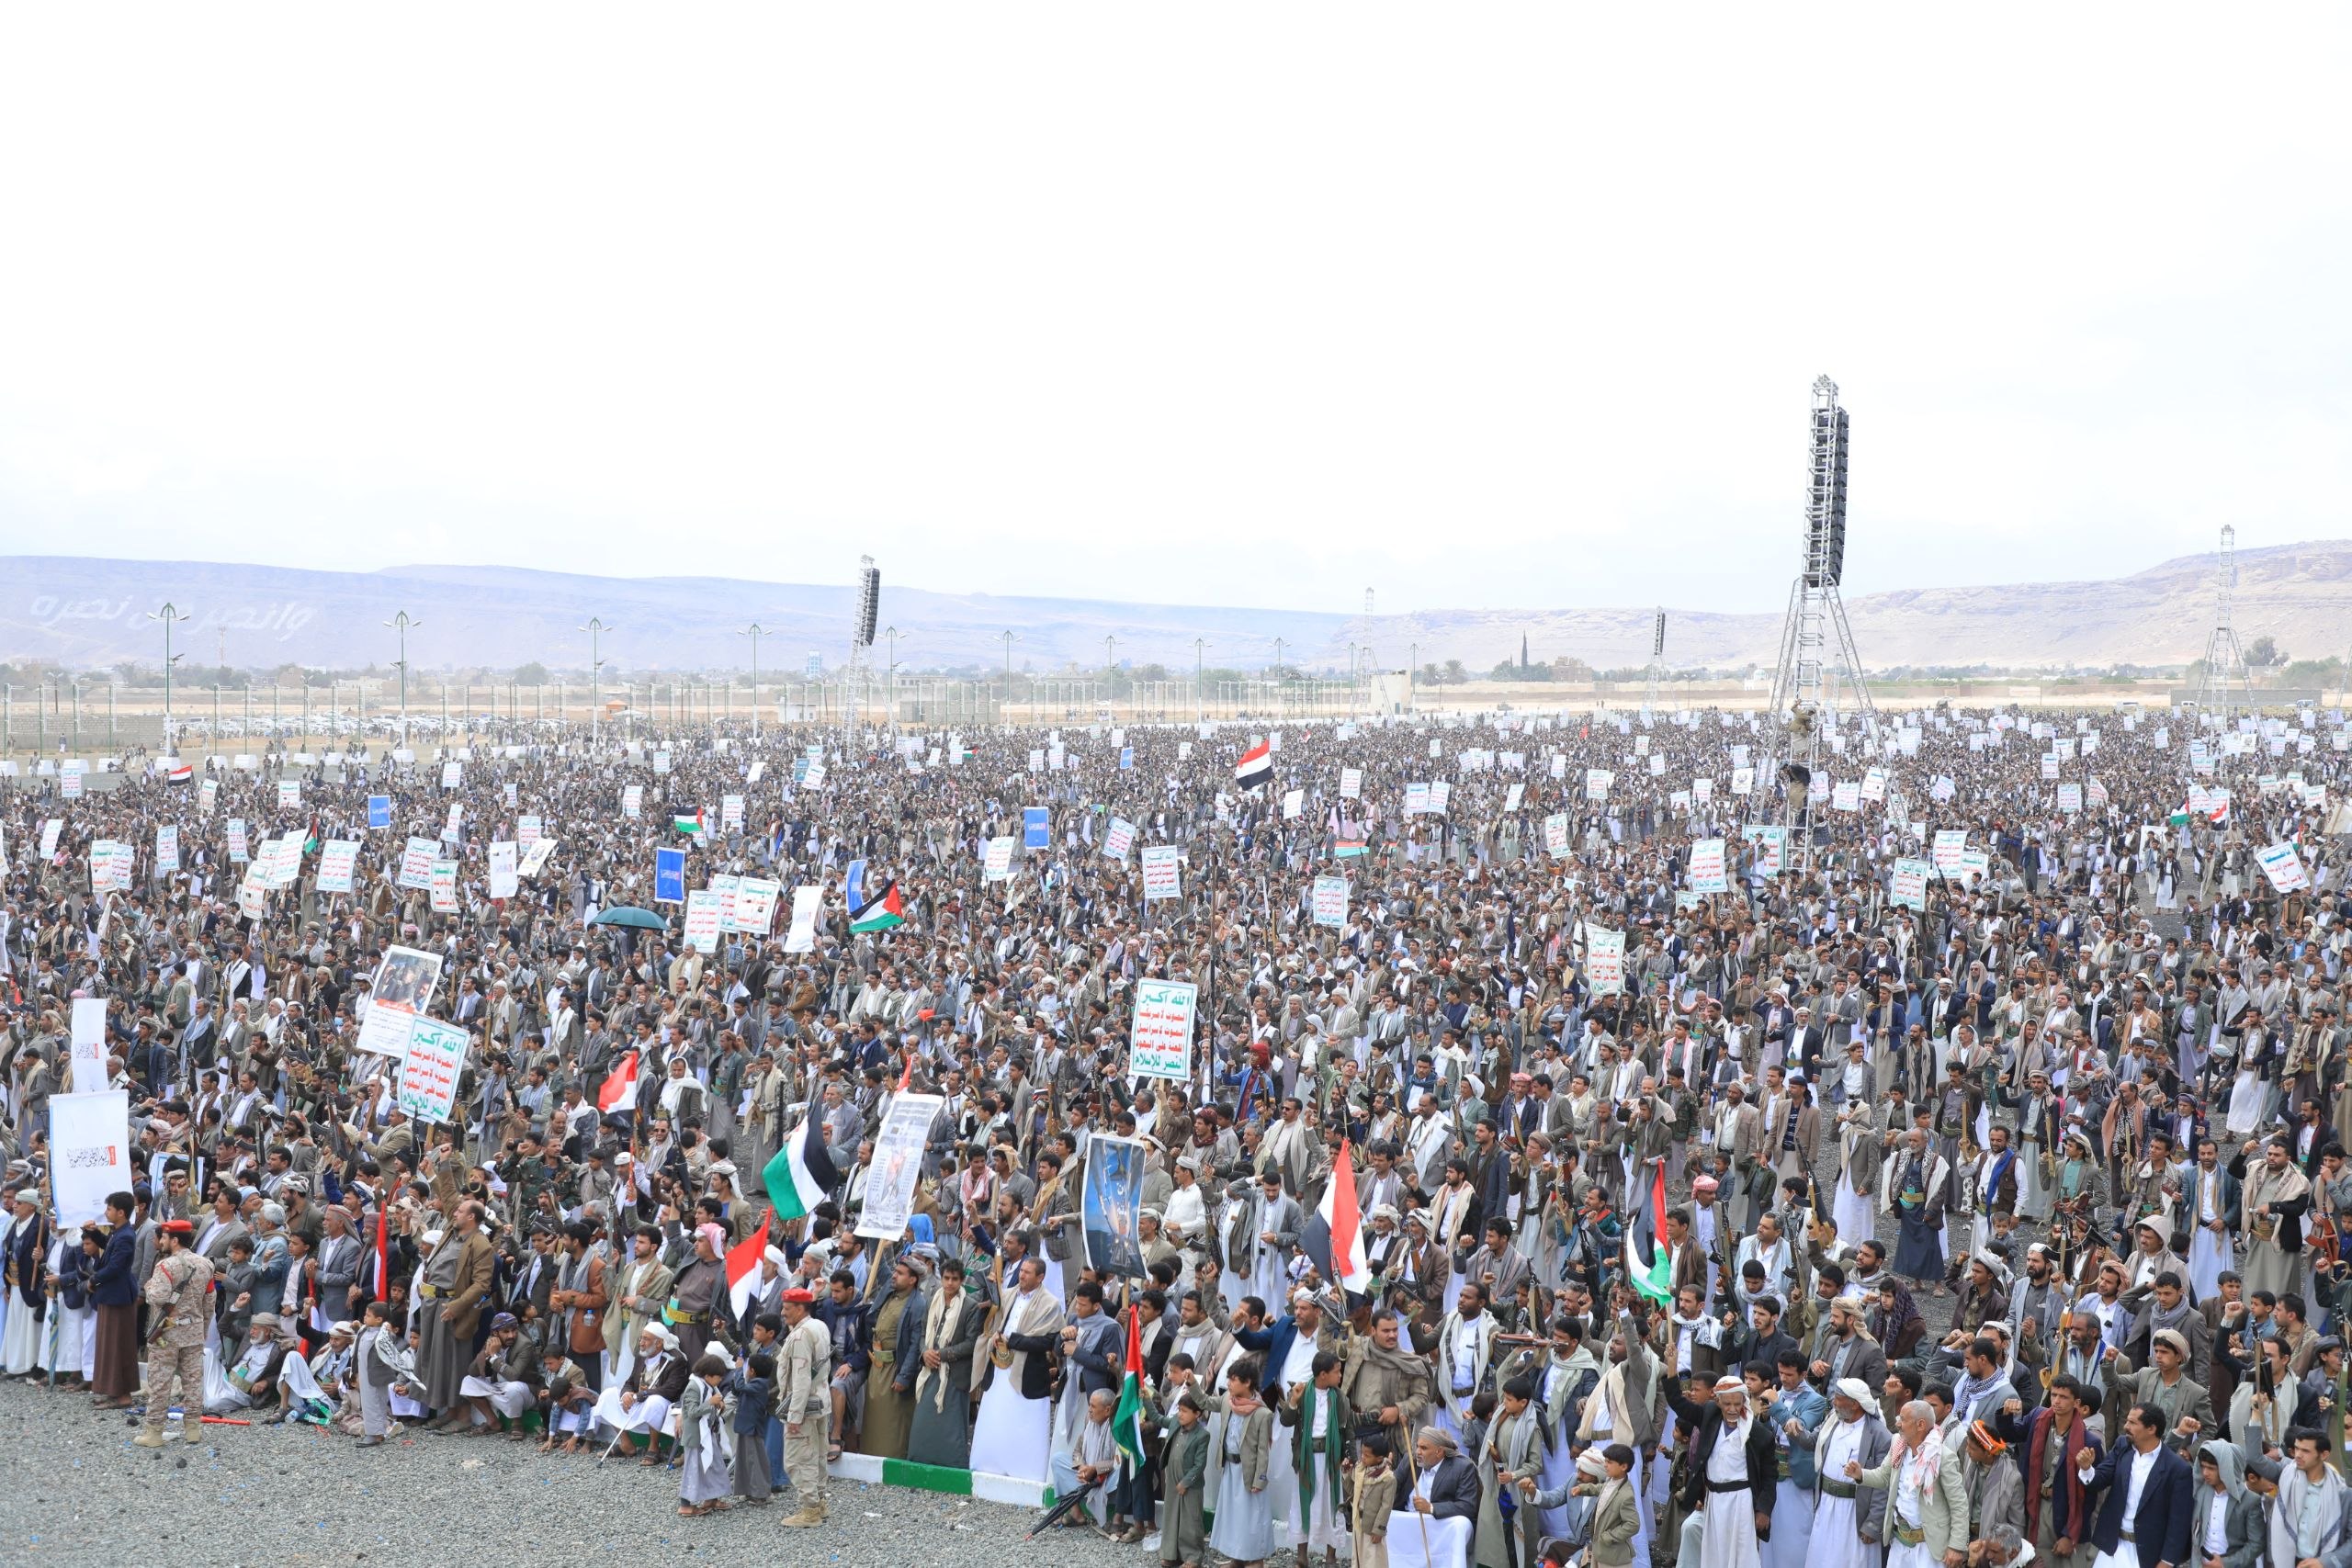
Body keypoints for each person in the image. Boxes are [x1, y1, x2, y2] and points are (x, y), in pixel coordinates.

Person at [2075, 1401, 2195, 1568]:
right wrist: (2087, 1468)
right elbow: (2099, 1480)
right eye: (2127, 1421)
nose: (2126, 1427)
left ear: (2151, 1429)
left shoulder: (2178, 1469)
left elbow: (2179, 1521)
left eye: (2132, 1423)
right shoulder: (2122, 1446)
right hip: (2112, 1548)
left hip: (2147, 1554)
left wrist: (2167, 1561)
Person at [1208, 1362, 1278, 1568]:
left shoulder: (1262, 1414)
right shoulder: (1227, 1401)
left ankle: (1256, 1560)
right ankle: (1237, 1557)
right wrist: (1193, 1384)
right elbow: (1205, 1402)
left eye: (1233, 1379)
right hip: (1231, 1469)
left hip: (1249, 1472)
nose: (1229, 1383)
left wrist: (1260, 1479)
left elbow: (1263, 1451)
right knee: (1234, 1516)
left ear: (1247, 1382)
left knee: (1253, 1517)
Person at [778, 1284, 832, 1529]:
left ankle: (810, 1511)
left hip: (804, 1404)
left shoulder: (800, 1336)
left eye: (787, 1308)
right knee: (818, 1454)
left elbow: (800, 1379)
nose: (783, 1312)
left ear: (800, 1309)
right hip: (820, 1400)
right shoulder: (819, 1325)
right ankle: (820, 1502)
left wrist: (794, 1416)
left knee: (799, 1458)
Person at [1159, 1388, 1212, 1568]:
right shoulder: (1175, 1423)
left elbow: (1200, 1465)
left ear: (1197, 1414)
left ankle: (1192, 1557)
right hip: (1173, 1481)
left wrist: (1186, 1482)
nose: (1180, 1414)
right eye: (1179, 1410)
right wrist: (1146, 1401)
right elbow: (1159, 1419)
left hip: (1190, 1485)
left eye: (1184, 1411)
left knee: (1190, 1521)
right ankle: (1171, 1554)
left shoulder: (1202, 1435)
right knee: (1171, 1517)